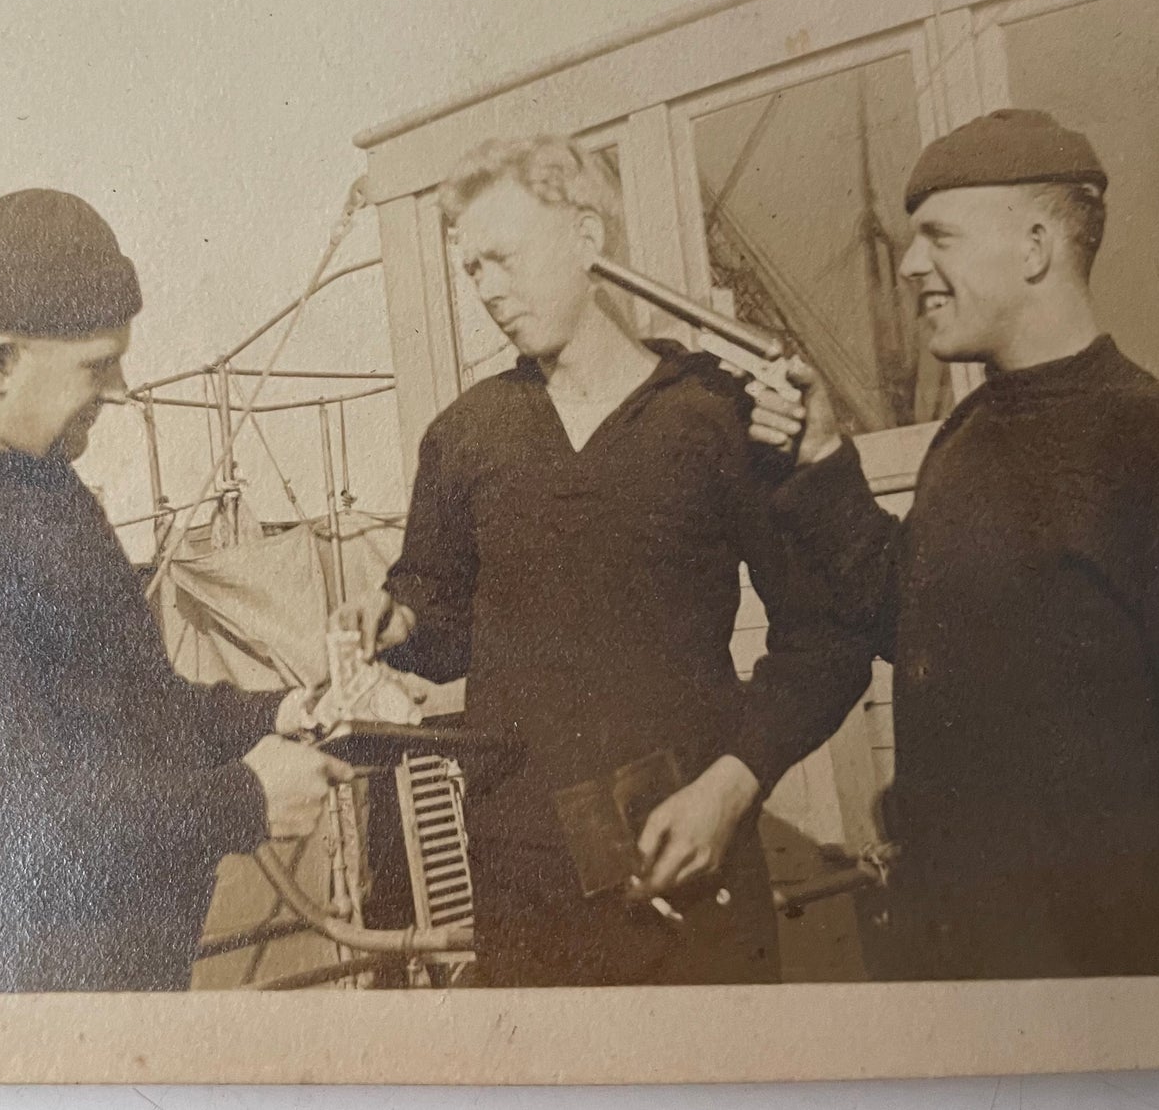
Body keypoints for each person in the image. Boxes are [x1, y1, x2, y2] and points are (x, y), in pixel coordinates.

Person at [336, 136, 864, 987]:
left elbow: (828, 641)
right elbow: (438, 624)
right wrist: (393, 617)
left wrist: (733, 785)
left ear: (587, 236)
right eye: (472, 271)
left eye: (501, 258)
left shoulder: (717, 415)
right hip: (524, 894)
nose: (488, 291)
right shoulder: (467, 435)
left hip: (691, 874)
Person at [0, 189, 350, 992]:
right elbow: (28, 825)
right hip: (31, 1011)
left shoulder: (42, 481)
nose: (119, 389)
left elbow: (137, 705)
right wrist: (245, 800)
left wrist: (281, 711)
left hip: (127, 978)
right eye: (97, 363)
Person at [747, 109, 1159, 978]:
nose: (911, 263)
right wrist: (819, 459)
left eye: (938, 237)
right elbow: (917, 623)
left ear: (1034, 248)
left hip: (1112, 992)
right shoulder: (966, 433)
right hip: (968, 971)